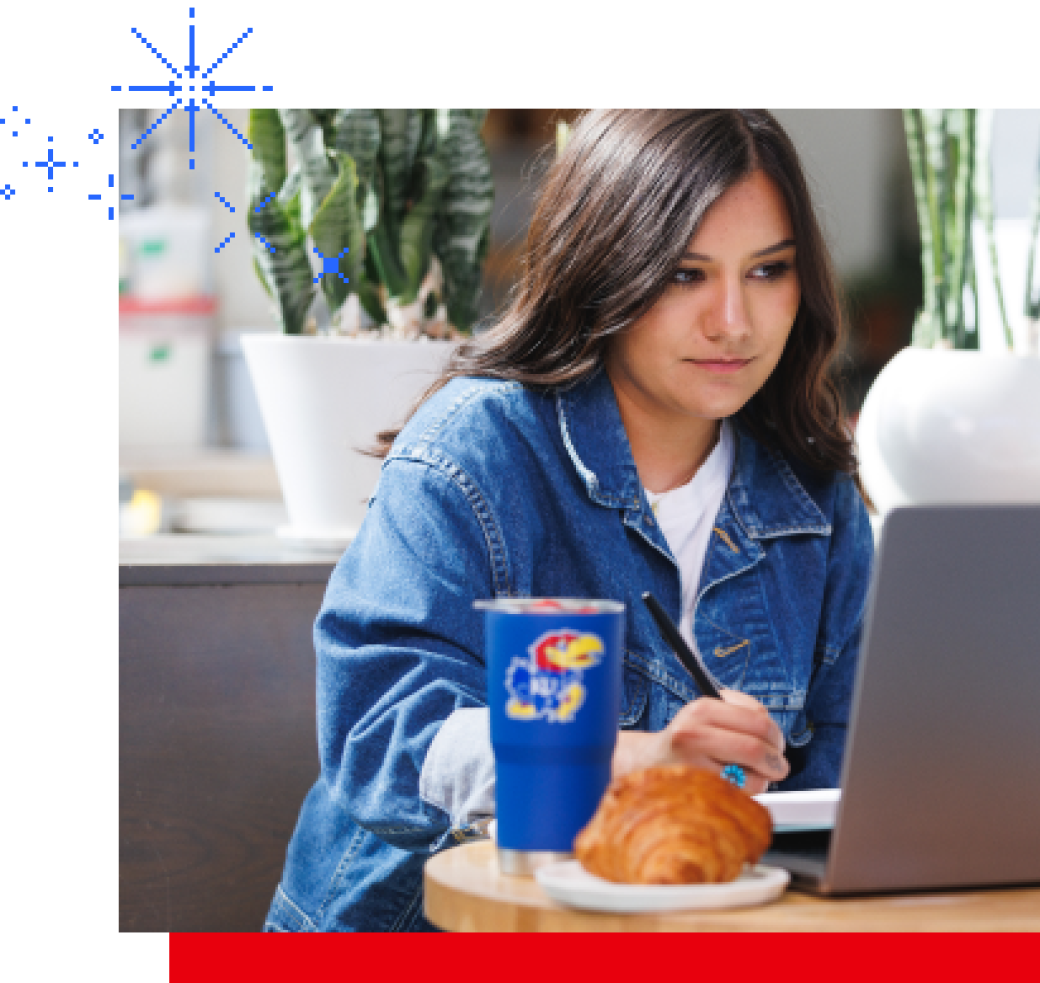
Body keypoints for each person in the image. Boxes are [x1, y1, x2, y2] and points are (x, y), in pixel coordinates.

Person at [263, 108, 875, 932]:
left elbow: (841, 796)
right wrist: (626, 761)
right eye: (685, 274)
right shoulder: (473, 450)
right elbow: (378, 738)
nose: (733, 320)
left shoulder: (816, 494)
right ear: (606, 268)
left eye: (768, 270)